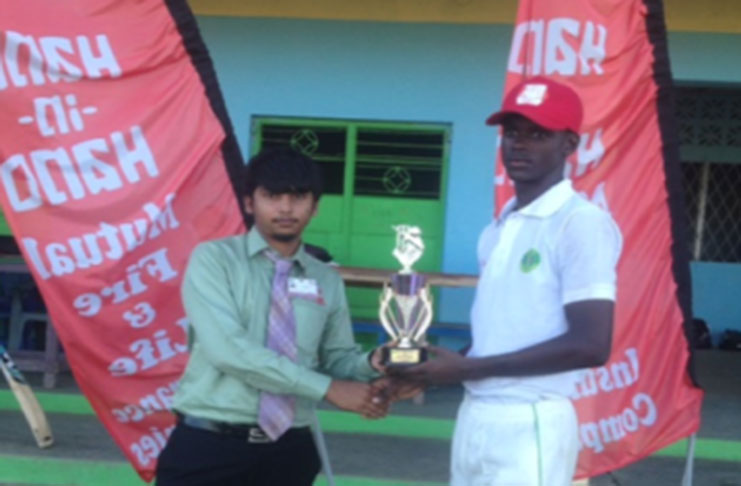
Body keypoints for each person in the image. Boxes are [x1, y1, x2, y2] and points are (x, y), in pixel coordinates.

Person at [394, 76, 623, 486]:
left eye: (538, 134)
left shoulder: (580, 223)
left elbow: (591, 345)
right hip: (476, 413)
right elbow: (501, 334)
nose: (519, 144)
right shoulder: (499, 227)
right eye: (512, 132)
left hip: (531, 418)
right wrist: (431, 368)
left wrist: (471, 368)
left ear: (569, 146)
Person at [155, 147, 388, 486]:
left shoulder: (326, 278)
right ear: (250, 203)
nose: (285, 208)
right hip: (210, 446)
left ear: (315, 207)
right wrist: (329, 389)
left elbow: (338, 357)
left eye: (298, 197)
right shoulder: (214, 260)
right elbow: (229, 351)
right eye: (272, 196)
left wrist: (378, 364)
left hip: (289, 451)